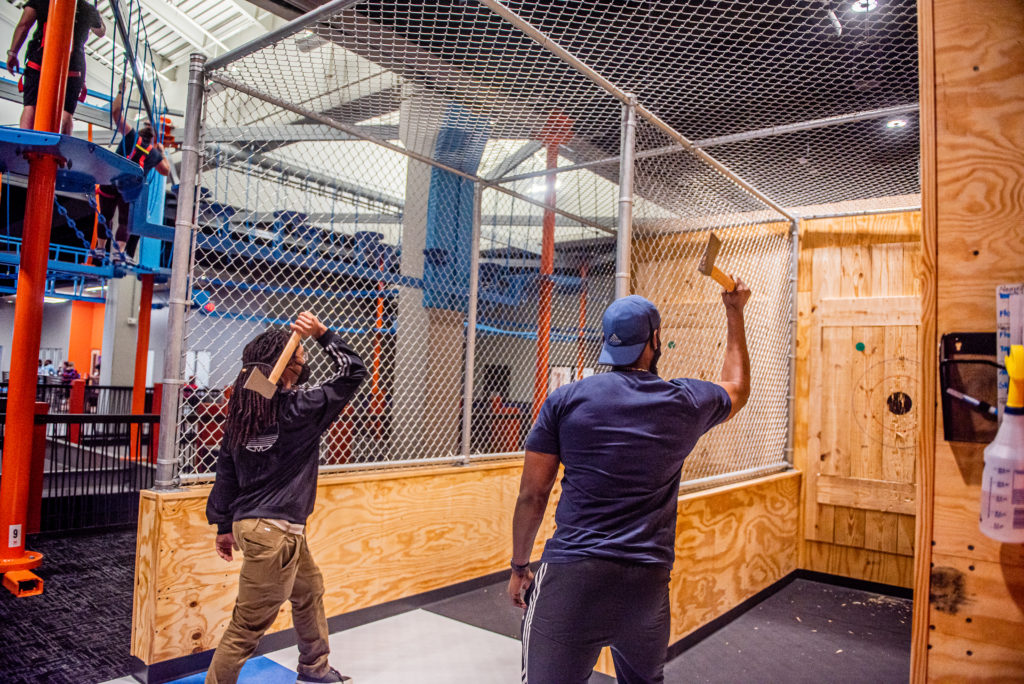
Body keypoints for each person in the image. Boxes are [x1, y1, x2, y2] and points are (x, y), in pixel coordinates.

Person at [508, 281, 752, 684]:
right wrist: (734, 311)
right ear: (655, 339)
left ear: (607, 344)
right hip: (645, 585)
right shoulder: (684, 402)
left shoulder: (565, 400)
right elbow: (737, 389)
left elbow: (533, 495)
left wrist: (520, 566)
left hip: (572, 578)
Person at [205, 311, 367, 684]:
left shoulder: (246, 409)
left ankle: (315, 669)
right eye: (300, 357)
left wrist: (223, 525)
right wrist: (323, 333)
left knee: (308, 590)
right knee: (246, 628)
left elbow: (226, 471)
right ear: (287, 366)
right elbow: (354, 372)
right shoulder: (300, 409)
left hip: (258, 527)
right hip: (275, 534)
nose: (305, 360)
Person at [93, 79, 170, 263]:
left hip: (111, 181)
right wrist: (163, 152)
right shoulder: (154, 154)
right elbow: (165, 171)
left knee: (106, 215)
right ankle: (119, 252)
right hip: (129, 188)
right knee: (125, 221)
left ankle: (101, 248)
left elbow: (116, 114)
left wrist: (121, 92)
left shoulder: (131, 137)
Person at [6, 0, 105, 134]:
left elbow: (24, 25)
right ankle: (59, 151)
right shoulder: (86, 8)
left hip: (42, 59)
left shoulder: (44, 2)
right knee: (66, 113)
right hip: (74, 66)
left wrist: (13, 53)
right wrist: (95, 12)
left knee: (31, 106)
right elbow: (100, 31)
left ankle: (26, 145)